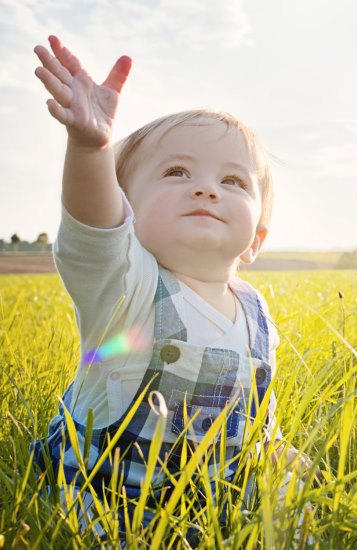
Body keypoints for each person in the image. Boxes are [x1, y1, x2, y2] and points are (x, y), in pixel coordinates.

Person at [29, 35, 311, 542]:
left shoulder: (255, 313)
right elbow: (94, 229)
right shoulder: (127, 288)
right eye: (177, 172)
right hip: (111, 504)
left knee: (295, 510)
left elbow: (250, 413)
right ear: (126, 210)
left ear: (256, 241)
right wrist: (91, 148)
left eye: (234, 181)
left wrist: (273, 446)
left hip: (207, 499)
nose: (206, 188)